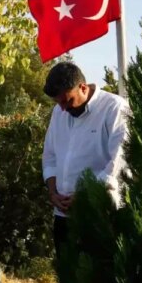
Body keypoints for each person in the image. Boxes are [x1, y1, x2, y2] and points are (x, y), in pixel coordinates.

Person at [42, 62, 129, 257]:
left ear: (83, 87)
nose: (63, 109)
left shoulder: (114, 108)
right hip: (63, 217)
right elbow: (50, 156)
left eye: (67, 101)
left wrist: (84, 196)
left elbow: (118, 164)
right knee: (66, 274)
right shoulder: (59, 112)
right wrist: (53, 192)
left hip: (99, 216)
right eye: (58, 103)